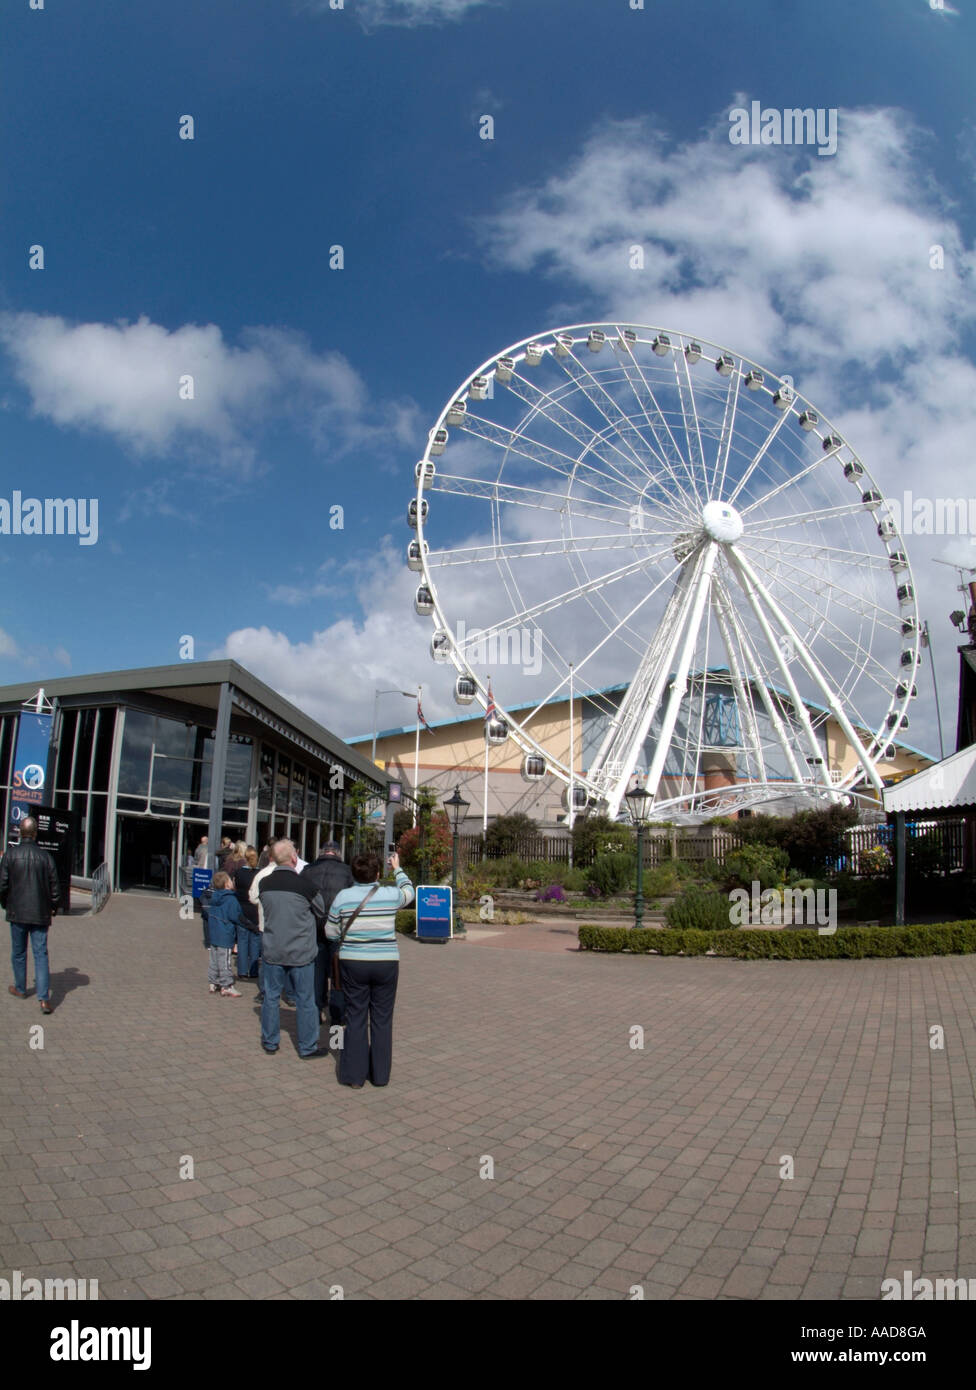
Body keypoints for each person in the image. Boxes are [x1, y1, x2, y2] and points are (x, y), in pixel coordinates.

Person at [327, 851, 414, 1089]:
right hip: (386, 962)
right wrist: (397, 868)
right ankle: (380, 1075)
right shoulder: (389, 894)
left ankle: (355, 1075)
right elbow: (410, 892)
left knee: (355, 1016)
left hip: (353, 962)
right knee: (382, 1019)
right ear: (377, 873)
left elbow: (330, 932)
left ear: (353, 873)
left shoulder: (343, 897)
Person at [258, 840, 327, 1058]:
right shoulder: (306, 886)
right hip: (301, 952)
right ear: (294, 858)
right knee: (306, 1000)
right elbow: (321, 910)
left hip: (272, 949)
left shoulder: (264, 884)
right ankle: (307, 1046)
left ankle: (270, 1042)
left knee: (271, 997)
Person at [1, 816, 61, 1014]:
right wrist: (54, 906)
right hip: (39, 913)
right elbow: (55, 887)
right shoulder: (45, 857)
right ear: (35, 834)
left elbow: (3, 884)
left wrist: (5, 903)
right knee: (40, 954)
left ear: (20, 832)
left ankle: (20, 988)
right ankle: (44, 999)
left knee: (19, 953)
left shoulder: (10, 855)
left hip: (17, 911)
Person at [301, 841, 353, 1022]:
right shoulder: (347, 871)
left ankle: (316, 1010)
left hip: (313, 927)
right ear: (338, 853)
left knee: (317, 970)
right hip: (338, 928)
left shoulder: (307, 870)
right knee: (337, 971)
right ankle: (337, 1015)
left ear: (321, 852)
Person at [206, 872, 247, 997]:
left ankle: (213, 981)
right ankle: (226, 985)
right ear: (227, 884)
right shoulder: (230, 899)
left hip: (214, 933)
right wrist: (248, 925)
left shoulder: (214, 897)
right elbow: (236, 916)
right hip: (225, 934)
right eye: (230, 880)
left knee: (214, 959)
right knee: (225, 960)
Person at [234, 848, 261, 981]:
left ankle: (242, 970)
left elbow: (235, 888)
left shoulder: (239, 873)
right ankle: (254, 970)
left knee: (242, 941)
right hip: (255, 910)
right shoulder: (260, 874)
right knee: (255, 941)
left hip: (242, 909)